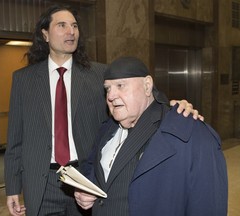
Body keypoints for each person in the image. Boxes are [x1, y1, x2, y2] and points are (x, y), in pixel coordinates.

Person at [4, 4, 202, 216]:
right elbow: (15, 140)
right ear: (45, 34)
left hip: (86, 178)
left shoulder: (98, 74)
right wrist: (12, 188)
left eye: (74, 26)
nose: (71, 31)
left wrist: (173, 105)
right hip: (42, 181)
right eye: (62, 25)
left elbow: (141, 95)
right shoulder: (24, 80)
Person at [74, 56, 228, 216]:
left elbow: (207, 205)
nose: (111, 96)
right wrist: (86, 189)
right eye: (108, 89)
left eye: (120, 85)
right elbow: (92, 166)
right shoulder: (107, 128)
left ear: (147, 86)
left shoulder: (191, 134)